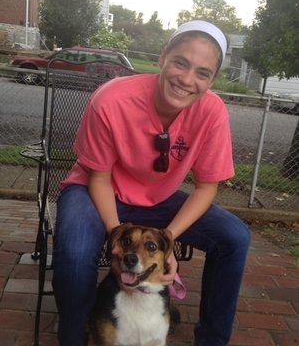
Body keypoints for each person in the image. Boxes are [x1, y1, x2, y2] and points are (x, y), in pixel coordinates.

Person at [52, 20, 251, 346]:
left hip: (157, 199)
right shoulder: (111, 100)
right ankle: (74, 337)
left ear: (212, 79)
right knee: (74, 252)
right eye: (181, 63)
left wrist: (169, 240)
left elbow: (206, 187)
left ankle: (213, 341)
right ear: (163, 58)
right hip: (97, 191)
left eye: (203, 73)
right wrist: (118, 239)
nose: (188, 80)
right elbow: (99, 177)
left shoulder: (212, 112)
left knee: (235, 237)